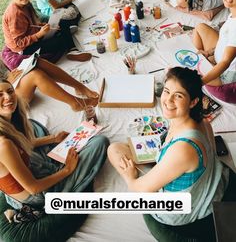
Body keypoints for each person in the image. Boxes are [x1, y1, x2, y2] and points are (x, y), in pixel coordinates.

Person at [108, 67, 230, 241]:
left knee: (113, 151)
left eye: (178, 96)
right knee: (118, 148)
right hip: (191, 174)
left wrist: (130, 177)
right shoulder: (202, 121)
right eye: (166, 91)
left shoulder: (183, 149)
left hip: (177, 216)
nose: (168, 100)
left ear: (193, 102)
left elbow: (138, 188)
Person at [0, 79, 109, 213]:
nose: (8, 97)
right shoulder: (4, 144)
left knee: (32, 124)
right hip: (37, 196)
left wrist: (53, 138)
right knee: (100, 142)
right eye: (0, 94)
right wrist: (68, 169)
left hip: (31, 169)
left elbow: (22, 144)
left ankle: (54, 163)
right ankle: (62, 179)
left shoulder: (9, 124)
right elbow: (34, 188)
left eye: (10, 91)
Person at [2, 0, 91, 71]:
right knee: (59, 40)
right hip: (24, 48)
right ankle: (68, 40)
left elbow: (31, 25)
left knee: (62, 22)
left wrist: (42, 26)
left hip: (33, 36)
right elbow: (19, 43)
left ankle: (72, 50)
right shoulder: (14, 15)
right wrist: (39, 34)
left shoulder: (26, 4)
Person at [0, 56, 99, 113]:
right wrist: (8, 82)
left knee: (36, 61)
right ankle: (75, 103)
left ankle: (79, 87)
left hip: (7, 87)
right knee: (36, 75)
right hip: (5, 103)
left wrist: (9, 78)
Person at [193, 0, 236, 86]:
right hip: (218, 57)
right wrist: (209, 52)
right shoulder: (233, 13)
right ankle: (199, 60)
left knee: (185, 81)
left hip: (226, 75)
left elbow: (226, 62)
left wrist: (200, 82)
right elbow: (225, 41)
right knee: (200, 27)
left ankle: (198, 65)